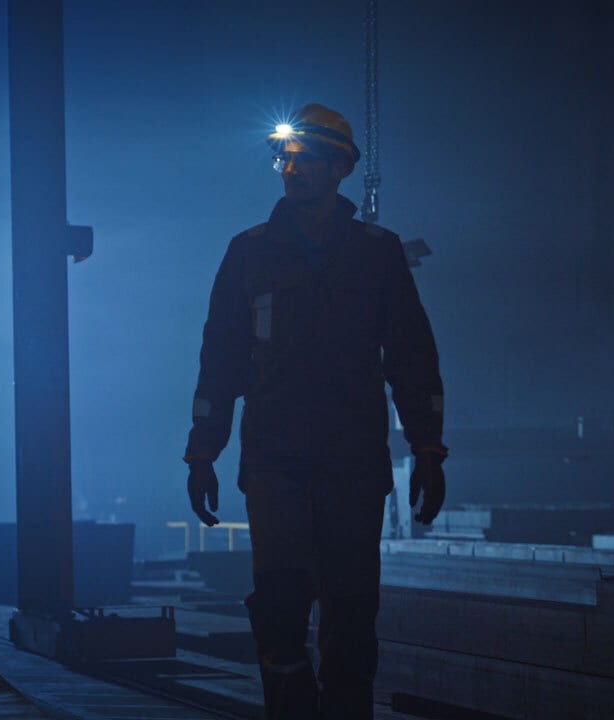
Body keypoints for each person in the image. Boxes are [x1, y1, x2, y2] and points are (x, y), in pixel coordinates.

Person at [182, 103, 447, 719]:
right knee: (281, 601)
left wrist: (429, 448)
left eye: (303, 158)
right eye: (284, 157)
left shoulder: (377, 254)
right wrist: (202, 450)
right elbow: (219, 359)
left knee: (352, 610)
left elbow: (411, 355)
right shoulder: (249, 253)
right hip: (276, 459)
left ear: (339, 169)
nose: (289, 168)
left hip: (352, 460)